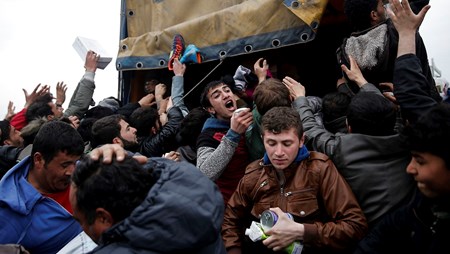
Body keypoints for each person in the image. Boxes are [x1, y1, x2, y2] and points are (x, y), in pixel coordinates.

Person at [355, 1, 449, 252]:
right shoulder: (421, 207)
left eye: (420, 159)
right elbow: (411, 93)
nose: (410, 168)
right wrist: (407, 33)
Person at [222, 107, 368, 253]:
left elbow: (355, 226)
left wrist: (303, 231)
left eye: (287, 144)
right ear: (262, 140)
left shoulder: (320, 169)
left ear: (301, 140)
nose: (278, 153)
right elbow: (230, 220)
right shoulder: (253, 174)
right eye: (271, 143)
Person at [70, 155, 226, 253]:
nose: (81, 228)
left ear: (103, 218)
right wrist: (146, 162)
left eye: (80, 220)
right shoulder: (193, 213)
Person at [0, 121, 85, 253]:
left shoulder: (84, 172)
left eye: (75, 162)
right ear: (39, 159)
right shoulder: (9, 215)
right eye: (65, 165)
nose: (73, 171)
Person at [339, 0, 440, 102]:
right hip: (422, 104)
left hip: (382, 112)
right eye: (383, 6)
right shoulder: (399, 30)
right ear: (374, 15)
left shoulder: (345, 53)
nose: (386, 8)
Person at [196, 80, 253, 203]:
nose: (226, 95)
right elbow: (204, 174)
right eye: (217, 95)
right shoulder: (208, 135)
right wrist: (233, 135)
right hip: (230, 206)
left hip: (253, 199)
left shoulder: (247, 118)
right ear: (211, 109)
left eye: (227, 90)